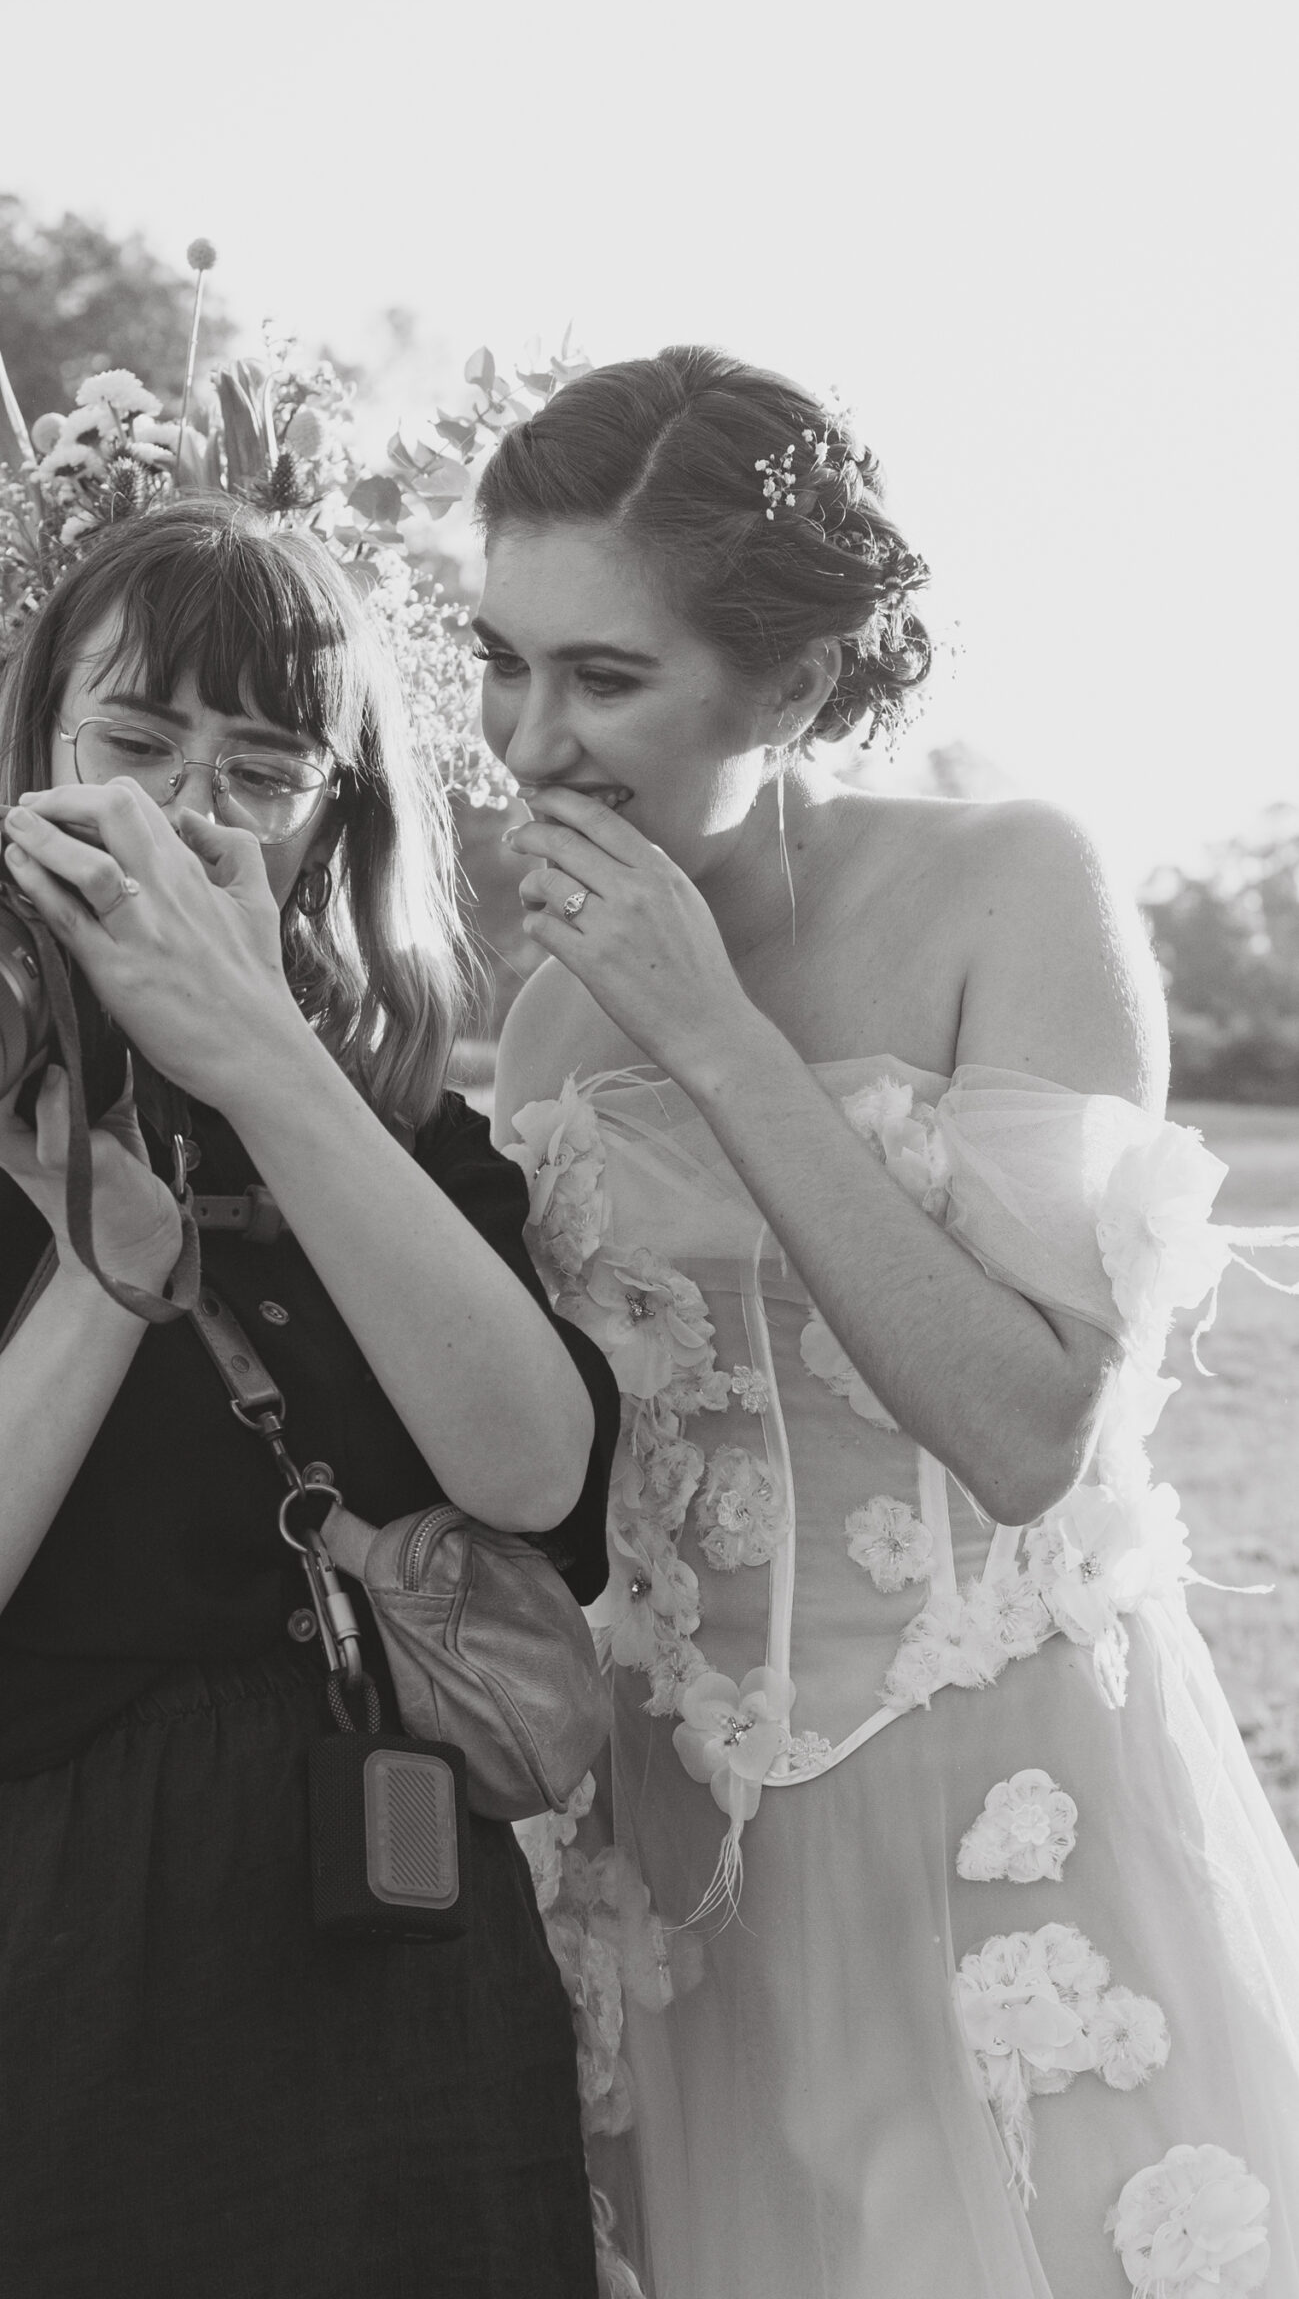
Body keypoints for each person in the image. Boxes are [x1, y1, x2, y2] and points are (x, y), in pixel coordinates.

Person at [0, 498, 622, 2299]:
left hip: (395, 1950)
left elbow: (539, 1471)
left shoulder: (388, 1125)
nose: (191, 808)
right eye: (141, 739)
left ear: (339, 814)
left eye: (267, 764)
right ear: (34, 749)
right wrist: (109, 1274)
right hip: (34, 1996)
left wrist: (259, 1062)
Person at [481, 349, 1299, 2299]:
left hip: (997, 1810)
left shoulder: (1006, 887)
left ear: (801, 681)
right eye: (496, 660)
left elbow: (1031, 1426)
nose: (524, 739)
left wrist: (710, 1030)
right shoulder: (535, 1024)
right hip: (676, 1869)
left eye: (601, 676)